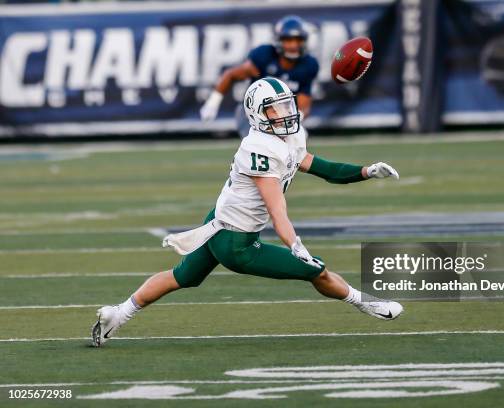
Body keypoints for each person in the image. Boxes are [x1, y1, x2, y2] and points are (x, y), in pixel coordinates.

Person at [92, 77, 402, 347]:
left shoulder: (290, 137)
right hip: (235, 243)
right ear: (256, 115)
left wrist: (365, 171)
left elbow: (321, 167)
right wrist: (295, 246)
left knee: (182, 276)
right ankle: (367, 303)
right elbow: (276, 208)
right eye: (273, 109)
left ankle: (117, 313)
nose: (283, 114)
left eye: (285, 105)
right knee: (315, 271)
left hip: (217, 221)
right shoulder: (259, 148)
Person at [199, 15, 319, 138]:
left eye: (298, 40)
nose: (293, 45)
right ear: (279, 40)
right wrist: (213, 103)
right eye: (288, 40)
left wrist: (294, 120)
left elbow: (304, 103)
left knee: (299, 140)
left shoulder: (308, 65)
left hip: (283, 114)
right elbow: (231, 75)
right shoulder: (264, 56)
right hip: (254, 113)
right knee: (261, 147)